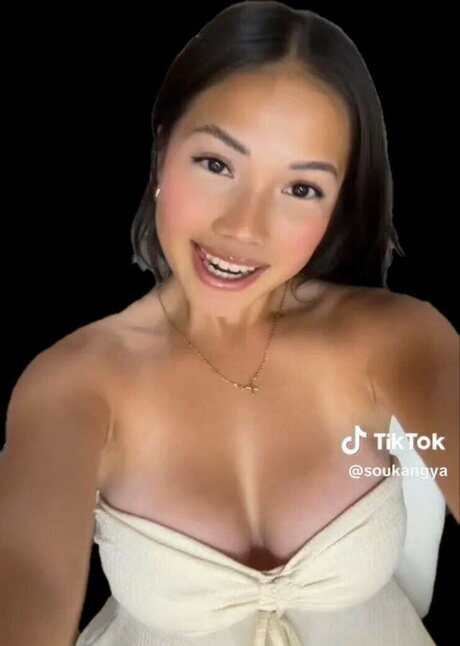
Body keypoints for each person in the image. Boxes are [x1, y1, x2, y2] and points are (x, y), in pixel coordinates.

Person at [1, 2, 458, 645]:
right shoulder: (72, 385)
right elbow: (28, 601)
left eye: (300, 189)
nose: (243, 227)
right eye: (217, 164)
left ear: (337, 206)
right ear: (161, 151)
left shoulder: (395, 341)